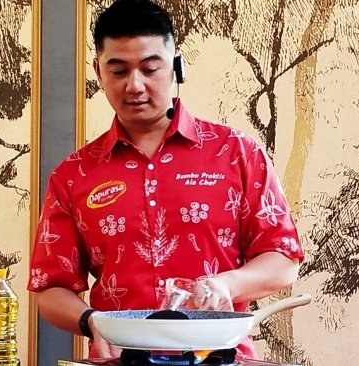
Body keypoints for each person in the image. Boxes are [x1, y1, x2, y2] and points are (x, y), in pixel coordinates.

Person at [27, 0, 303, 360]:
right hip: (120, 360)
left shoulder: (237, 153)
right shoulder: (74, 174)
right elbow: (50, 288)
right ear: (98, 71)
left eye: (150, 68)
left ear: (176, 67)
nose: (135, 85)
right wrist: (92, 321)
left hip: (218, 357)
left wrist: (226, 283)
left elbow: (283, 258)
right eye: (119, 70)